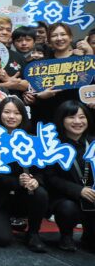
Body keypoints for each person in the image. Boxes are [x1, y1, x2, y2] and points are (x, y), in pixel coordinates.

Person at [0, 97, 48, 252]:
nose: (11, 117)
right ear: (0, 115)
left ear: (23, 116)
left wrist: (35, 180)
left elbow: (42, 170)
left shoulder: (33, 140)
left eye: (17, 113)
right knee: (2, 239)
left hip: (24, 196)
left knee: (40, 193)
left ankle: (33, 234)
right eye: (7, 112)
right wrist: (17, 181)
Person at [45, 101, 95, 252]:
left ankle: (88, 237)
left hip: (92, 196)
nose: (78, 122)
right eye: (71, 117)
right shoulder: (53, 145)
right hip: (65, 197)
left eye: (82, 117)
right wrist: (79, 190)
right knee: (68, 208)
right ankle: (66, 235)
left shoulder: (92, 142)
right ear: (62, 119)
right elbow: (50, 177)